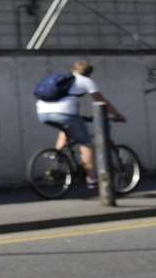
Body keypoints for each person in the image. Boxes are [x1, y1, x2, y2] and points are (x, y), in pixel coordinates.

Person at [36, 60, 125, 190]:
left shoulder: (64, 79)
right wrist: (118, 115)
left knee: (67, 128)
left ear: (74, 69)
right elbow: (101, 100)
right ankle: (92, 179)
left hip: (42, 113)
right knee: (86, 143)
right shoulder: (86, 81)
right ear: (89, 72)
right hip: (64, 114)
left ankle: (56, 158)